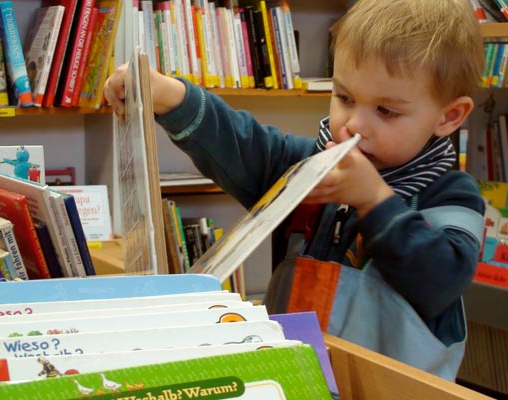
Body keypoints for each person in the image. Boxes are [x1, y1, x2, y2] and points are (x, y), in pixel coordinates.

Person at [104, 0, 485, 380]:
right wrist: (173, 97)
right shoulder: (308, 165)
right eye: (345, 98)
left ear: (449, 116)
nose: (353, 124)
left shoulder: (451, 195)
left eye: (386, 111)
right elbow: (246, 146)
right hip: (294, 377)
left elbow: (441, 281)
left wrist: (373, 200)